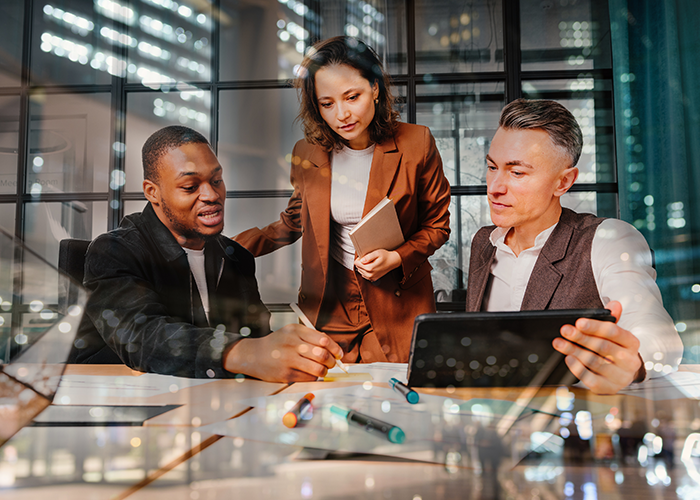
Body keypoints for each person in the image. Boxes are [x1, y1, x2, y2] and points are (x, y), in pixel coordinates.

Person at [234, 36, 451, 363]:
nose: (342, 114)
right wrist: (226, 249)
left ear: (375, 88)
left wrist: (396, 258)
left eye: (353, 97)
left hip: (396, 297)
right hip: (331, 301)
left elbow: (437, 227)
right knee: (327, 399)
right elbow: (294, 221)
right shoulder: (306, 153)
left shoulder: (416, 143)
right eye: (327, 103)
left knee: (388, 395)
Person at [69, 126, 343, 382]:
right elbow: (142, 337)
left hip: (211, 404)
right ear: (152, 192)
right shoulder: (114, 252)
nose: (212, 195)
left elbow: (256, 339)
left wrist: (288, 353)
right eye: (190, 187)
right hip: (118, 411)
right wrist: (243, 353)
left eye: (217, 180)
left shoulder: (237, 258)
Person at [466, 98, 684, 394]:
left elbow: (657, 331)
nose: (495, 187)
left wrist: (632, 361)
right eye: (492, 167)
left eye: (516, 173)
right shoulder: (484, 241)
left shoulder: (607, 238)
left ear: (563, 182)